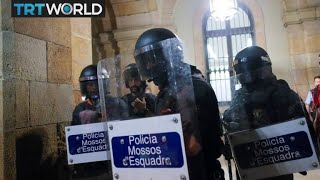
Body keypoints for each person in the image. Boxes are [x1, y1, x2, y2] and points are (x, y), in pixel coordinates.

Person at [134, 28, 224, 180]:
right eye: (146, 61)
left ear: (171, 54)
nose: (149, 66)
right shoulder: (171, 90)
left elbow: (192, 148)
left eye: (153, 59)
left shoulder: (190, 88)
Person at [223, 46, 313, 180]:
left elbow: (304, 134)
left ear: (264, 69)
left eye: (250, 71)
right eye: (242, 73)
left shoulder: (283, 93)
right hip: (249, 163)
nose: (246, 76)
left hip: (278, 165)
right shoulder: (240, 95)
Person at [71, 64, 112, 179]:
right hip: (89, 164)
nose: (93, 88)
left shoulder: (116, 104)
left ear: (103, 84)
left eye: (96, 84)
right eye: (89, 85)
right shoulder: (80, 109)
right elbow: (75, 138)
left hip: (110, 161)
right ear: (85, 87)